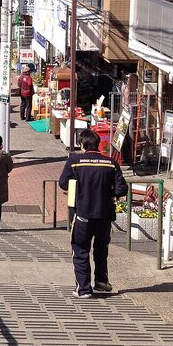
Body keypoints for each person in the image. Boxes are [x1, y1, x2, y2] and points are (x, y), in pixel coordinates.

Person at [58, 128, 128, 298]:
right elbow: (121, 189)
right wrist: (106, 193)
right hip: (104, 215)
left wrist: (77, 189)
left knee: (81, 249)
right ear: (98, 144)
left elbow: (63, 183)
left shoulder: (74, 161)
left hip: (83, 214)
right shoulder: (110, 163)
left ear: (83, 144)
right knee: (101, 248)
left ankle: (83, 288)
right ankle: (101, 282)